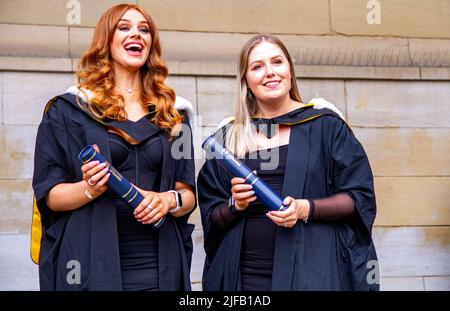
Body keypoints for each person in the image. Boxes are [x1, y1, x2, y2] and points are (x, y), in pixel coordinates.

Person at [32, 3, 196, 290]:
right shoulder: (69, 110)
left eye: (144, 30)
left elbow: (188, 194)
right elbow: (50, 195)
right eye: (124, 27)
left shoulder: (173, 115)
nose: (136, 34)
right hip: (90, 261)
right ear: (106, 40)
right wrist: (89, 188)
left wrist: (167, 200)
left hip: (159, 263)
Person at [197, 34, 379, 291]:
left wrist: (306, 208)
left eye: (277, 62)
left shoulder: (325, 126)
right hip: (244, 277)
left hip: (312, 274)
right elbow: (212, 218)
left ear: (290, 71)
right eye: (257, 67)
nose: (269, 72)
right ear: (246, 81)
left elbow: (358, 197)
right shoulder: (228, 138)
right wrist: (234, 205)